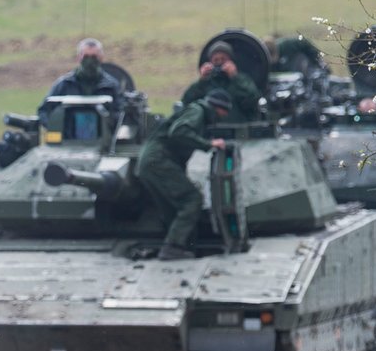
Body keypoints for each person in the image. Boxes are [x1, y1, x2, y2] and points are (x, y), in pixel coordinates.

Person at [139, 90, 232, 261]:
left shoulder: (197, 111)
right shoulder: (198, 111)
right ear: (219, 109)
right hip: (159, 160)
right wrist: (208, 143)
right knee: (192, 199)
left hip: (149, 162)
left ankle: (180, 245)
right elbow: (179, 131)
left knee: (172, 207)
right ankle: (173, 247)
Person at [40, 38, 124, 118]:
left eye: (94, 57)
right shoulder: (64, 84)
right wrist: (56, 129)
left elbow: (121, 114)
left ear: (101, 58)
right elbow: (44, 111)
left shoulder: (111, 87)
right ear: (79, 57)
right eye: (86, 56)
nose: (90, 61)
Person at [180, 42, 261, 120]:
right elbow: (187, 102)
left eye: (223, 59)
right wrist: (202, 80)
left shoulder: (242, 79)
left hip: (238, 129)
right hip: (210, 130)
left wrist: (235, 77)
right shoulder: (206, 82)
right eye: (216, 60)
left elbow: (252, 100)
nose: (219, 62)